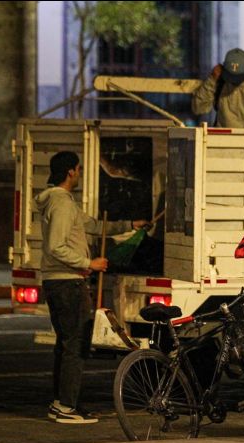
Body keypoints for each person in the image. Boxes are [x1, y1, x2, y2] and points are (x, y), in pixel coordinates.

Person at [35, 151, 148, 424]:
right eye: (79, 169)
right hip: (67, 282)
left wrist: (129, 225)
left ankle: (61, 403)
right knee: (75, 345)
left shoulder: (61, 202)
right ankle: (66, 407)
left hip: (61, 281)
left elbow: (94, 226)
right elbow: (55, 246)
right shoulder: (61, 204)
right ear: (71, 171)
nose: (80, 173)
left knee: (66, 344)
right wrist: (90, 262)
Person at [191, 48, 244, 129]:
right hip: (220, 138)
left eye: (238, 77)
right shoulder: (219, 79)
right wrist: (212, 80)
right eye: (231, 76)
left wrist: (240, 140)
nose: (234, 82)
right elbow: (198, 108)